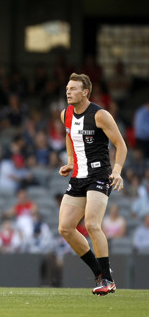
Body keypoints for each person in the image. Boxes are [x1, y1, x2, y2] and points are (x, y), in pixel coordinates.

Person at [57, 72, 127, 296]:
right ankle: (100, 273)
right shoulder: (65, 114)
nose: (68, 91)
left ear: (85, 92)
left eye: (73, 88)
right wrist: (69, 161)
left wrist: (117, 171)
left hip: (99, 175)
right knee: (65, 228)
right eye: (67, 88)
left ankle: (108, 279)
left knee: (92, 225)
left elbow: (121, 145)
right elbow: (69, 135)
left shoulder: (100, 115)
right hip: (78, 177)